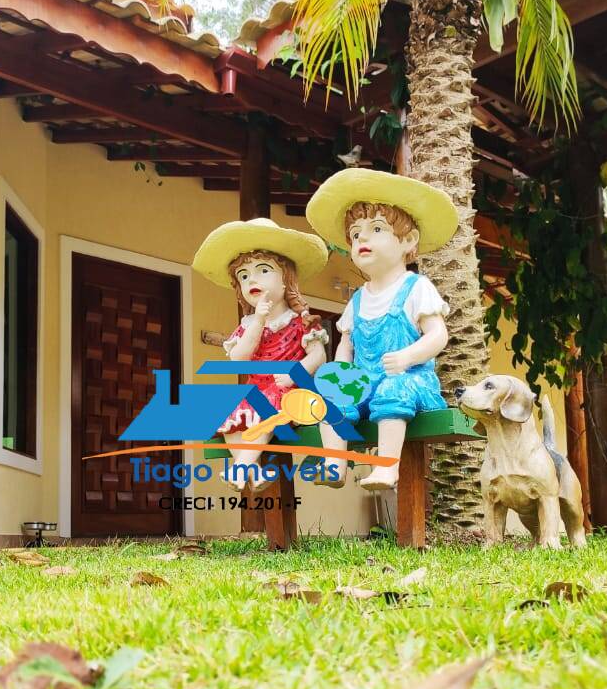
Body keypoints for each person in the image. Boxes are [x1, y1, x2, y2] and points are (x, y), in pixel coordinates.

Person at [305, 168, 458, 489]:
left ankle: (387, 468)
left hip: (409, 380)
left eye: (376, 229)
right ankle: (335, 464)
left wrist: (407, 357)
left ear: (408, 241)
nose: (363, 239)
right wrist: (342, 369)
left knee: (392, 391)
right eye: (356, 234)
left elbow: (438, 335)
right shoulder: (358, 299)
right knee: (330, 394)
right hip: (366, 380)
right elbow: (346, 343)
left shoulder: (416, 288)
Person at [191, 218, 330, 491]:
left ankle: (240, 468)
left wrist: (293, 374)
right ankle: (252, 471)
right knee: (229, 418)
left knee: (264, 408)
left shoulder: (300, 321)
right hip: (255, 388)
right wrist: (257, 322)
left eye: (263, 270)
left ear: (286, 280)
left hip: (289, 389)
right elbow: (238, 359)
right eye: (243, 276)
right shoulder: (247, 325)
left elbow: (318, 357)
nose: (251, 279)